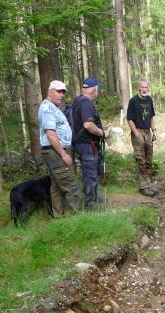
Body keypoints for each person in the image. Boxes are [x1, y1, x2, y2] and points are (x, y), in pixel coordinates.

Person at [38, 80, 80, 218]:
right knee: (71, 185)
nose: (61, 94)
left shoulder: (53, 107)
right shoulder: (47, 109)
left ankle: (60, 218)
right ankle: (74, 219)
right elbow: (50, 134)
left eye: (63, 92)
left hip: (54, 151)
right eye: (58, 91)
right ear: (49, 92)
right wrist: (63, 154)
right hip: (56, 151)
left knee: (56, 186)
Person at [70, 77, 110, 209]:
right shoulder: (85, 103)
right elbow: (88, 125)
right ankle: (90, 204)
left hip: (84, 145)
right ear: (94, 89)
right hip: (87, 145)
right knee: (90, 173)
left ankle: (93, 198)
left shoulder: (77, 101)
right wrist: (103, 133)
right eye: (97, 89)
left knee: (91, 172)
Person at [126, 78, 157, 197]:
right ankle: (143, 187)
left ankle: (148, 184)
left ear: (148, 88)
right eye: (142, 87)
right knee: (141, 161)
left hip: (148, 133)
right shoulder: (133, 101)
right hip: (138, 133)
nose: (144, 89)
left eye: (146, 87)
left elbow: (151, 117)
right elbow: (129, 119)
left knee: (149, 160)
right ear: (138, 88)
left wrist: (154, 131)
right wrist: (136, 133)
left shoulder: (149, 99)